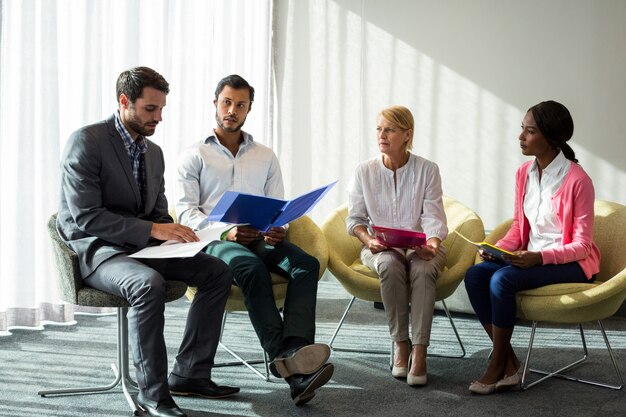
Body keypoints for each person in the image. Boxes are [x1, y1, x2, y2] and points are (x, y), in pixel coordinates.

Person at [57, 66, 239, 417]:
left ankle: (190, 373)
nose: (159, 118)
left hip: (142, 247)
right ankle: (153, 396)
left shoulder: (153, 153)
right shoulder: (87, 142)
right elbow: (86, 216)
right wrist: (153, 231)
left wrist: (179, 236)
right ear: (125, 102)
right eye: (150, 109)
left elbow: (157, 213)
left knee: (216, 270)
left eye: (161, 109)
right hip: (99, 250)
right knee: (147, 284)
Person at [175, 74, 333, 406]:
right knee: (249, 267)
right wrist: (225, 231)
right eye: (226, 103)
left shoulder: (265, 155)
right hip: (216, 240)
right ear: (215, 103)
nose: (232, 110)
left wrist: (280, 227)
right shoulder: (195, 155)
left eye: (240, 105)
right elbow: (185, 212)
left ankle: (296, 350)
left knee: (306, 264)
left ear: (249, 109)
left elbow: (277, 205)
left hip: (260, 236)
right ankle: (289, 366)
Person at [464, 100, 600, 395]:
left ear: (551, 138)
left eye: (530, 131)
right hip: (530, 258)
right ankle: (510, 364)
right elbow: (518, 227)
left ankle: (496, 365)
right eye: (522, 129)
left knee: (502, 279)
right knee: (475, 275)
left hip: (570, 264)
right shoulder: (524, 173)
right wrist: (495, 248)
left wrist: (540, 256)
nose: (521, 137)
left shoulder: (579, 181)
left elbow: (582, 245)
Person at [346, 105, 448, 386]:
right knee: (390, 265)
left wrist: (433, 243)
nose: (382, 135)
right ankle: (401, 343)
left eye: (389, 129)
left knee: (424, 269)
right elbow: (354, 219)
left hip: (422, 246)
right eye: (379, 129)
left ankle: (420, 350)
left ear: (407, 134)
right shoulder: (363, 171)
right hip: (381, 248)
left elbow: (434, 217)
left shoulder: (428, 169)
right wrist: (368, 240)